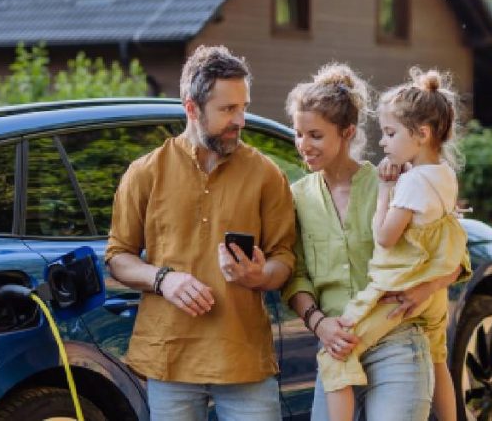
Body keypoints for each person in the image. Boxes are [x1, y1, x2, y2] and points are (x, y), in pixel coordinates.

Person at [105, 45, 296, 420]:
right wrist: (163, 279)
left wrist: (260, 275)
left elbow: (284, 259)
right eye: (228, 110)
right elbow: (118, 257)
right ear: (192, 108)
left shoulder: (267, 175)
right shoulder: (146, 173)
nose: (240, 119)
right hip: (170, 358)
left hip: (243, 358)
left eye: (243, 107)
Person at [283, 63, 469, 421]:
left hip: (397, 339)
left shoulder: (398, 182)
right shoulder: (296, 198)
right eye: (298, 134)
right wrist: (319, 322)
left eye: (316, 136)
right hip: (338, 347)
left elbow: (448, 252)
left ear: (348, 132)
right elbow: (296, 274)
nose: (303, 146)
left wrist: (421, 292)